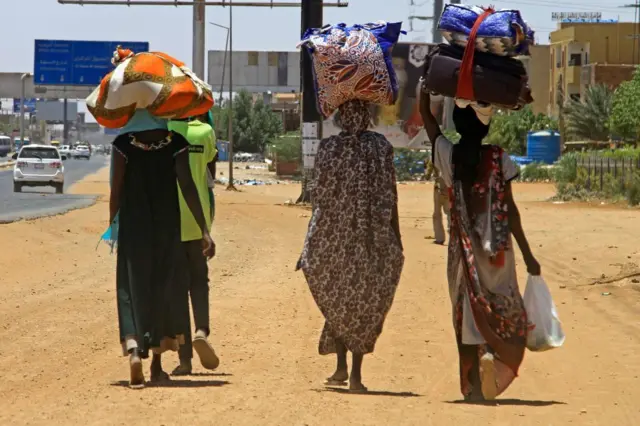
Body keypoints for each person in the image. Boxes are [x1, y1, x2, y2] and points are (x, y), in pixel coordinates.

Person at [419, 90, 541, 401]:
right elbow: (511, 212)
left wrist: (424, 93)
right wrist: (528, 255)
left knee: (467, 311)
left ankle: (473, 381)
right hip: (498, 252)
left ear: (457, 124)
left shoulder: (448, 155)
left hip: (463, 252)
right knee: (501, 307)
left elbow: (430, 125)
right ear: (485, 128)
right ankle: (494, 356)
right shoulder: (500, 158)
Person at [297, 100, 405, 393]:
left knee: (340, 297)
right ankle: (351, 372)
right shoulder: (380, 147)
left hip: (333, 240)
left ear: (341, 117)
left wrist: (311, 239)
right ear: (367, 116)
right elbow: (389, 195)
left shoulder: (328, 148)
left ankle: (343, 366)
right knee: (362, 301)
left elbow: (318, 197)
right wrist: (395, 235)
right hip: (369, 240)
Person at [110, 109, 215, 389]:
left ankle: (134, 351)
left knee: (131, 288)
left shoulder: (122, 145)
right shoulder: (175, 142)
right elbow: (189, 187)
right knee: (162, 288)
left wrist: (113, 226)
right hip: (168, 228)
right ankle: (156, 366)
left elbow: (116, 190)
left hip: (134, 228)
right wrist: (204, 229)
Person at [167, 112, 219, 375]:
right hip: (197, 218)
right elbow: (210, 177)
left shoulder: (164, 131)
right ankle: (202, 330)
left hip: (169, 221)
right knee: (199, 281)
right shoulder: (205, 133)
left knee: (177, 290)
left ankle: (185, 359)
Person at [425, 159, 450, 245]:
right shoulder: (450, 152)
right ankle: (453, 237)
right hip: (449, 186)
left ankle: (439, 238)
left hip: (439, 187)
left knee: (437, 214)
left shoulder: (433, 158)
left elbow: (427, 176)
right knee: (450, 214)